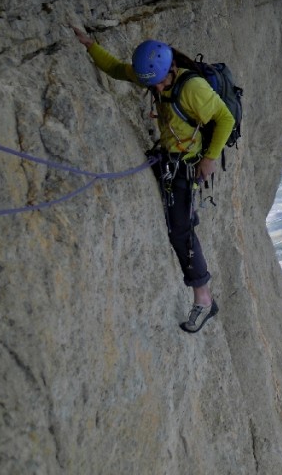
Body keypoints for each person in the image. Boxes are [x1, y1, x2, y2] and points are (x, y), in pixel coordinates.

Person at [71, 26, 235, 333]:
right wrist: (90, 46)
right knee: (182, 224)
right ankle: (202, 288)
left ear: (171, 68)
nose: (158, 90)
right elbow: (119, 70)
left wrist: (210, 158)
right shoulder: (154, 75)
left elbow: (226, 118)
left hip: (186, 165)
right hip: (170, 161)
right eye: (153, 85)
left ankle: (204, 298)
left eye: (161, 83)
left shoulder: (192, 88)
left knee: (180, 232)